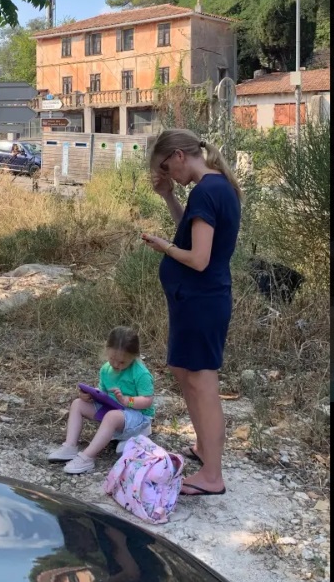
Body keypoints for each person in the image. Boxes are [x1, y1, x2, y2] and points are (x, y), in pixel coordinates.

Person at [141, 129, 242, 497]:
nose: (168, 175)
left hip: (201, 301)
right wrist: (168, 196)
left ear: (180, 156)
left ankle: (212, 476)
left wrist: (165, 248)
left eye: (166, 168)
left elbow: (198, 258)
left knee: (202, 383)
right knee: (185, 372)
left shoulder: (206, 191)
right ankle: (204, 447)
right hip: (197, 301)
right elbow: (191, 232)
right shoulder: (214, 187)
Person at [48, 326, 155, 474]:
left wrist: (127, 401)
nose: (116, 365)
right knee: (78, 404)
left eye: (122, 362)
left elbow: (147, 400)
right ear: (106, 351)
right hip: (114, 410)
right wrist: (90, 396)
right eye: (112, 359)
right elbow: (103, 393)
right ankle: (70, 446)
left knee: (111, 416)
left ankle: (87, 457)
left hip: (138, 415)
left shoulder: (141, 373)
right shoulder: (106, 370)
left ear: (134, 356)